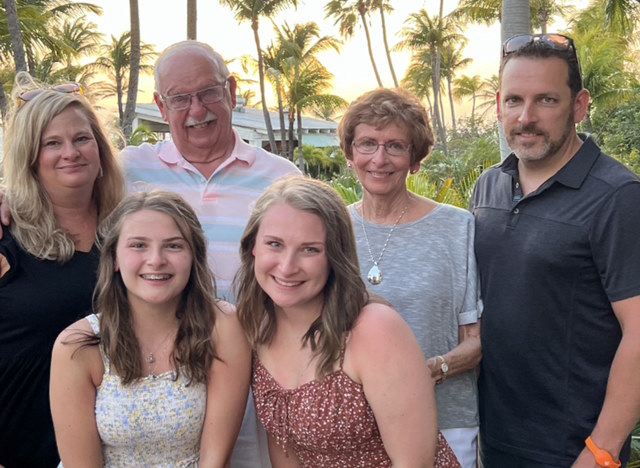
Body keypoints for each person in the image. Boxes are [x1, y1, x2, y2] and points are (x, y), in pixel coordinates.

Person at [469, 33, 640, 467]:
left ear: (579, 106)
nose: (526, 117)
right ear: (498, 104)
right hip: (491, 439)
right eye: (513, 101)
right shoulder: (488, 186)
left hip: (571, 450)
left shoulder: (617, 197)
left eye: (545, 100)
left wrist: (600, 451)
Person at [234, 176, 461, 467]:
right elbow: (284, 448)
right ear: (253, 246)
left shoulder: (374, 330)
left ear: (335, 257)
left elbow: (414, 462)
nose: (287, 267)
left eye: (310, 249)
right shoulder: (258, 329)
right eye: (275, 244)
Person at [50, 190, 251, 467]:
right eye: (138, 245)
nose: (156, 260)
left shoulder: (222, 327)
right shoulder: (77, 345)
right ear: (115, 259)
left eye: (173, 246)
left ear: (194, 256)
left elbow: (215, 459)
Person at [338, 87, 482, 467]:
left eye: (396, 146)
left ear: (415, 159)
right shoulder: (329, 227)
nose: (379, 159)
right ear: (350, 154)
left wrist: (424, 373)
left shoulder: (456, 227)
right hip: (350, 427)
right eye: (367, 144)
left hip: (445, 423)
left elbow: (475, 341)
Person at [0, 75, 124, 467]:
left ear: (100, 149)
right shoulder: (6, 238)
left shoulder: (129, 235)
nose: (70, 152)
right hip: (23, 452)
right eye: (52, 143)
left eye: (81, 139)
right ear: (30, 158)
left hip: (117, 454)